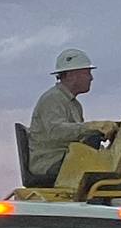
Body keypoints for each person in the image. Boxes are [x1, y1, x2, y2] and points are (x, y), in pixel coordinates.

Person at [26, 48, 115, 185]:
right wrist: (91, 126)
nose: (91, 78)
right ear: (72, 75)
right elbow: (56, 131)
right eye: (87, 73)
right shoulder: (52, 99)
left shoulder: (73, 104)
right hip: (51, 162)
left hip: (67, 159)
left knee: (113, 165)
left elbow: (79, 136)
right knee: (110, 178)